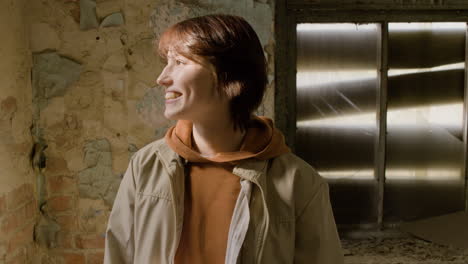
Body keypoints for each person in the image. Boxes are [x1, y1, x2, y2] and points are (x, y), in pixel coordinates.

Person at [104, 14, 344, 264]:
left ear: (232, 80)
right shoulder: (145, 165)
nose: (162, 78)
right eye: (167, 62)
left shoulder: (300, 182)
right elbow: (119, 253)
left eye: (180, 62)